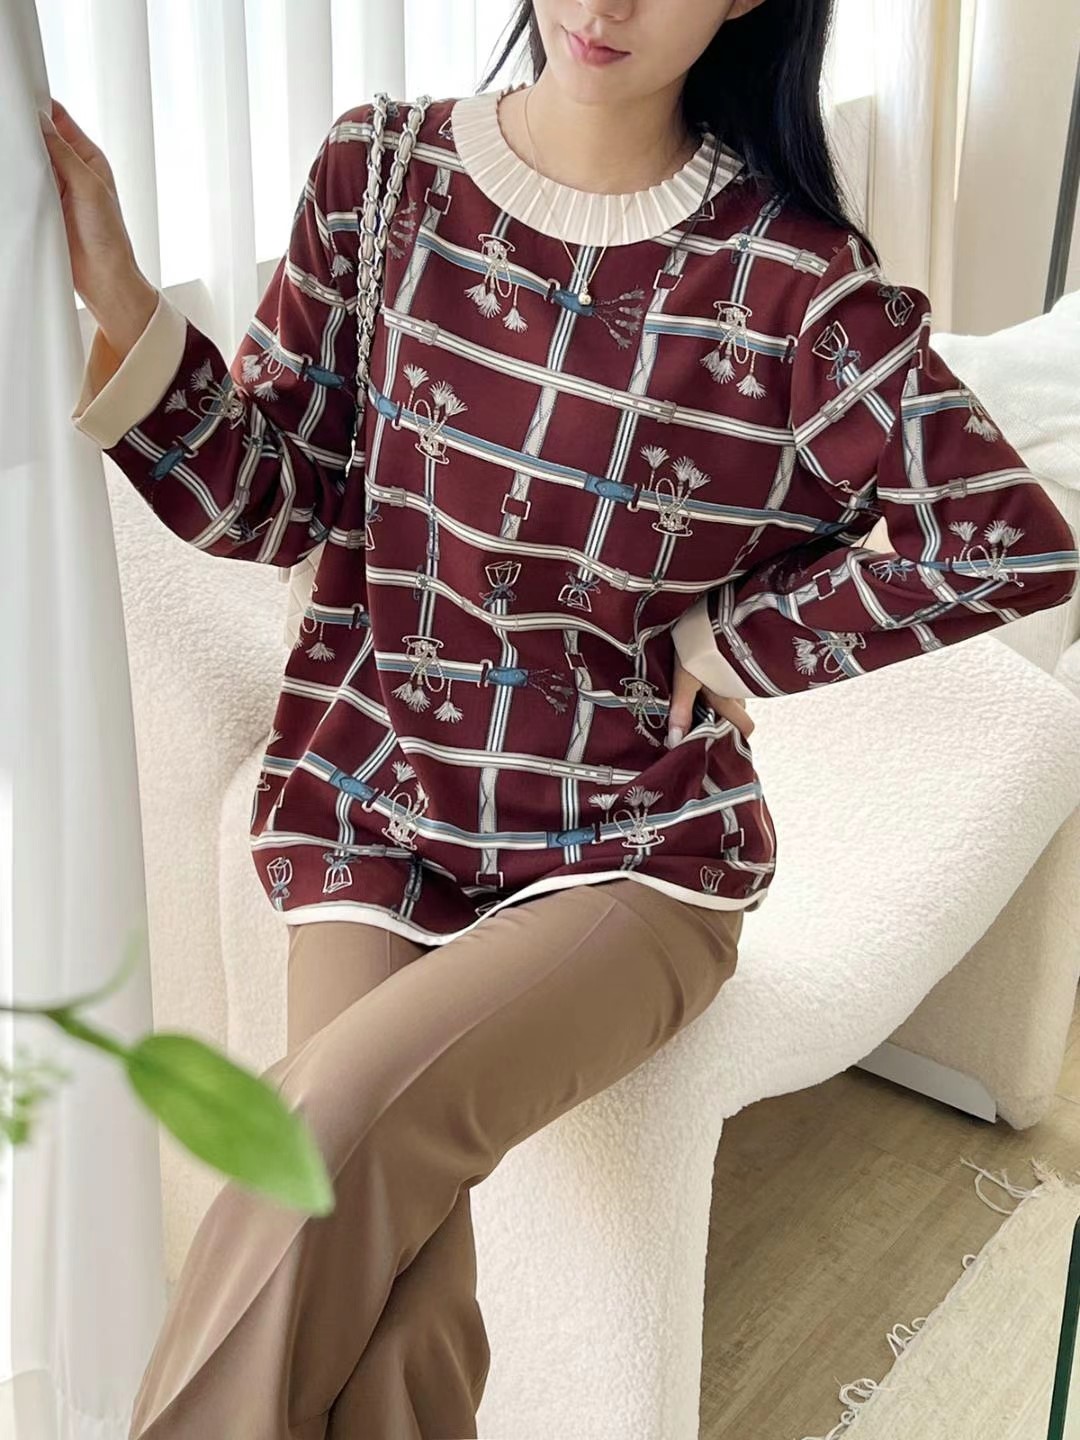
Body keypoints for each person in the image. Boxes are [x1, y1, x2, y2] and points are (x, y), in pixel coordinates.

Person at [41, 0, 1080, 1433]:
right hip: (378, 805)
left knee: (314, 1140)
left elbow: (1004, 543)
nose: (606, 5)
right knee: (392, 1299)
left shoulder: (793, 286)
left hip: (632, 856)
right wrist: (124, 302)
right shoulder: (380, 177)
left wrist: (732, 639)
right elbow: (276, 498)